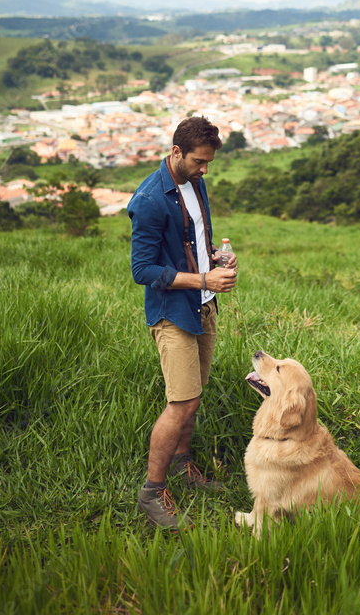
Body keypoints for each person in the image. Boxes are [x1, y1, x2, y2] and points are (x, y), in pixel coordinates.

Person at [128, 115, 238, 529]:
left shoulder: (195, 183)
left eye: (209, 162)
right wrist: (204, 278)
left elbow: (194, 237)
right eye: (199, 161)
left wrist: (217, 258)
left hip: (202, 304)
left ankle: (181, 465)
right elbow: (142, 269)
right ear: (176, 152)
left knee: (196, 392)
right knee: (182, 401)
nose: (205, 169)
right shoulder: (150, 200)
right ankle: (152, 493)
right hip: (172, 312)